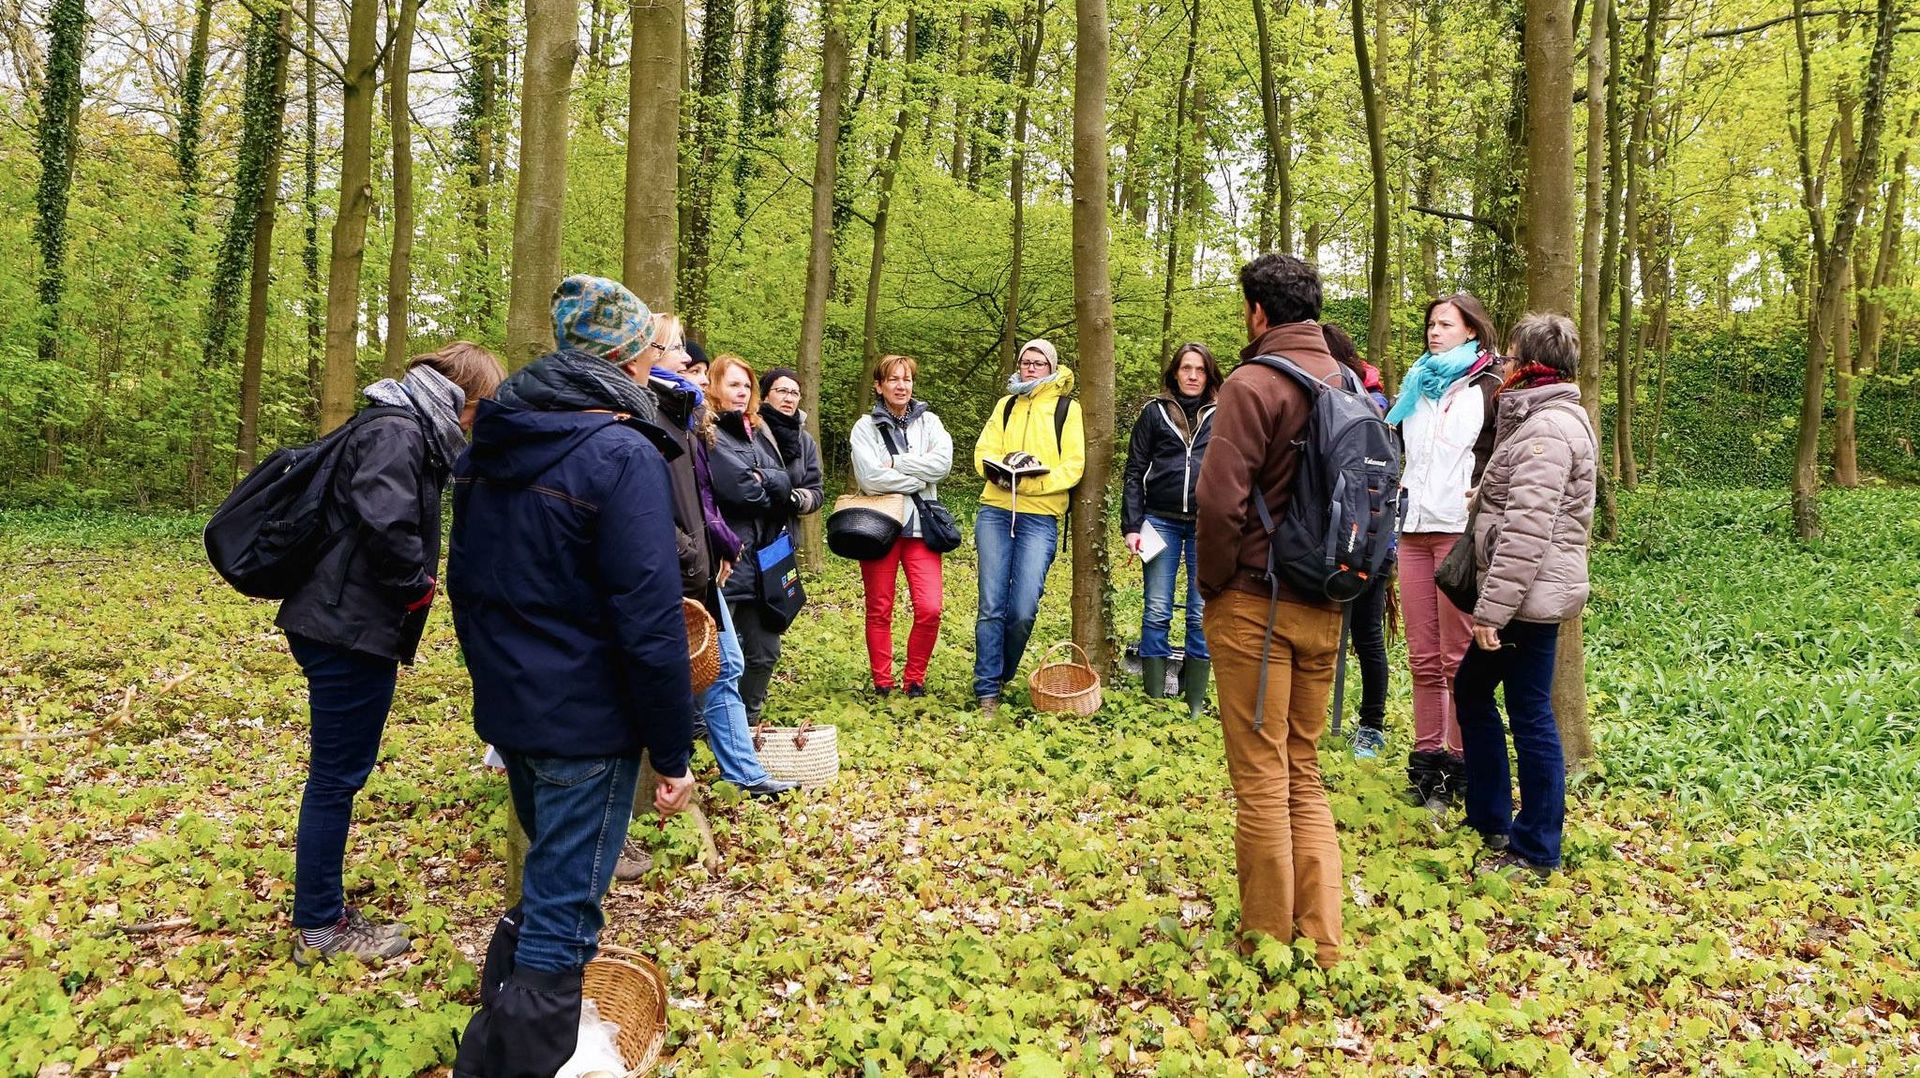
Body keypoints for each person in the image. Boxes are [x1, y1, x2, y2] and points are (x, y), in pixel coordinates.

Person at [446, 277, 697, 1076]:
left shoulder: (497, 439)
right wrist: (674, 750)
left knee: (544, 891)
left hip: (518, 710)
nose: (664, 363)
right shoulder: (620, 451)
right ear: (629, 356)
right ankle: (508, 1063)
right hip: (587, 724)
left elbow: (469, 587)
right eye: (657, 350)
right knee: (563, 914)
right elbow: (652, 622)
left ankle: (498, 1038)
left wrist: (498, 698)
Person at [279, 341, 504, 967]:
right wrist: (418, 588)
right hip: (344, 625)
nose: (475, 421)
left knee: (336, 773)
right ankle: (319, 926)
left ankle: (320, 912)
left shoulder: (398, 423)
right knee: (336, 776)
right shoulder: (397, 432)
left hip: (343, 619)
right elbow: (387, 525)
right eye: (479, 406)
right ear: (462, 397)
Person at [1194, 252, 1345, 968]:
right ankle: (1321, 940)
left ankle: (1267, 941)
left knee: (1260, 776)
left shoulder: (1253, 384)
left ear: (1257, 313)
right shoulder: (1345, 381)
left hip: (1256, 602)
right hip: (1328, 604)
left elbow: (1218, 501)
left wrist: (1214, 586)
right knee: (1304, 772)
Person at [1457, 314, 1597, 876]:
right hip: (1527, 590)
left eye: (1511, 356)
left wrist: (1492, 610)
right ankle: (1490, 819)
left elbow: (1529, 530)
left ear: (1530, 365)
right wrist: (1485, 497)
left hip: (1526, 598)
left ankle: (1536, 847)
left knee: (1530, 713)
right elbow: (1528, 505)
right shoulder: (1551, 420)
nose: (1503, 365)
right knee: (1473, 691)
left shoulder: (1546, 429)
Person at [1386, 293, 1504, 806]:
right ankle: (1426, 759)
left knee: (1457, 657)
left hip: (1459, 531)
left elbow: (1502, 457)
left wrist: (1483, 493)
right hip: (1412, 529)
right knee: (1422, 658)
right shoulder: (1416, 384)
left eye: (1446, 324)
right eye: (1431, 324)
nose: (1434, 332)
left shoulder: (1491, 388)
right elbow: (1398, 448)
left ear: (1472, 331)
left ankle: (1459, 766)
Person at [971, 338, 1086, 714]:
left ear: (1051, 367)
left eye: (1039, 363)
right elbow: (983, 451)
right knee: (991, 604)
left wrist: (1031, 482)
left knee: (1022, 608)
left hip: (1040, 517)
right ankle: (987, 688)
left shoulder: (1067, 410)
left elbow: (1073, 465)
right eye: (1026, 362)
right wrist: (999, 473)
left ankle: (1003, 672)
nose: (1031, 368)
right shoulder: (1006, 406)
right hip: (996, 510)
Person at [707, 357, 821, 722]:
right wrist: (770, 485)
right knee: (718, 653)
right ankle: (707, 728)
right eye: (733, 385)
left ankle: (747, 716)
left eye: (745, 386)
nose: (741, 392)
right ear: (714, 387)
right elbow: (741, 489)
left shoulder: (759, 431)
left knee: (765, 651)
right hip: (729, 554)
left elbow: (788, 482)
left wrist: (773, 484)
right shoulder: (708, 432)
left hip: (769, 554)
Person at [1121, 342, 1222, 715]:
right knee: (1157, 609)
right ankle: (1154, 699)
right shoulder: (1154, 413)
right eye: (1186, 368)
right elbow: (1134, 470)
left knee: (1200, 612)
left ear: (1209, 374)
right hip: (1158, 521)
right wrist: (1132, 525)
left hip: (1206, 525)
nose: (1192, 375)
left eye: (1199, 369)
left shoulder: (1224, 413)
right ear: (1175, 373)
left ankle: (1194, 702)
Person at [848, 355, 955, 697]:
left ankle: (914, 678)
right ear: (879, 386)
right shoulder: (865, 428)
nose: (901, 385)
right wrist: (916, 478)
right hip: (878, 527)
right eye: (893, 379)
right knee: (879, 607)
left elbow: (942, 465)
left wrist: (896, 463)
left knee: (930, 608)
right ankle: (882, 681)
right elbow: (869, 476)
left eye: (906, 379)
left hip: (922, 527)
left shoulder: (931, 423)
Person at [1321, 324, 1396, 759]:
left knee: (1366, 632)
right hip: (1334, 534)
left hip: (1369, 536)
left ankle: (1372, 724)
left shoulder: (1371, 405)